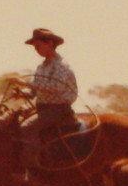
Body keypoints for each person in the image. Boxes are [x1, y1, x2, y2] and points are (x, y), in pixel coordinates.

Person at [8, 28, 78, 171]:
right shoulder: (41, 66)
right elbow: (35, 90)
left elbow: (56, 87)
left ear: (50, 43)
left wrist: (24, 82)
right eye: (35, 47)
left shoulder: (61, 65)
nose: (36, 50)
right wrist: (22, 93)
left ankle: (31, 169)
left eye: (38, 46)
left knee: (28, 127)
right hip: (43, 108)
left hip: (59, 109)